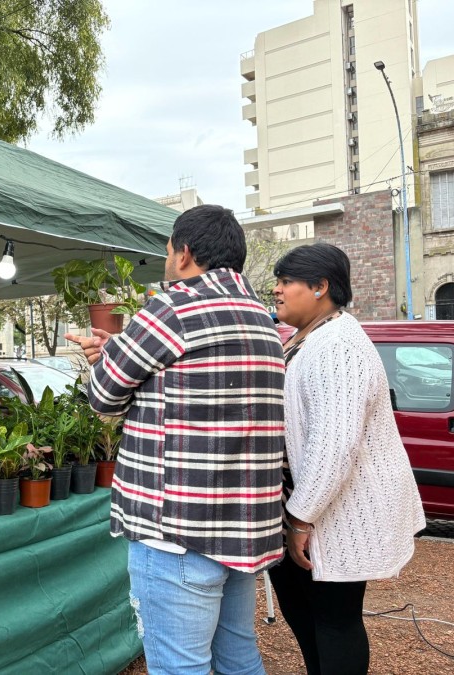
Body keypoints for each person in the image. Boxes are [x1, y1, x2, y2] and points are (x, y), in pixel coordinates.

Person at [65, 204, 286, 675]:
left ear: (183, 253)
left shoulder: (173, 308)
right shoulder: (261, 319)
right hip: (241, 531)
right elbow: (187, 384)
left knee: (179, 667)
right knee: (239, 659)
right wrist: (119, 351)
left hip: (177, 534)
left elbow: (103, 396)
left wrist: (102, 359)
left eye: (167, 250)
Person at [269, 243, 425, 675]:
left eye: (286, 282)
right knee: (305, 613)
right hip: (305, 507)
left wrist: (301, 516)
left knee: (334, 619)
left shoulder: (338, 345)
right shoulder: (308, 338)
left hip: (330, 513)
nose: (277, 290)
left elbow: (335, 445)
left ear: (320, 287)